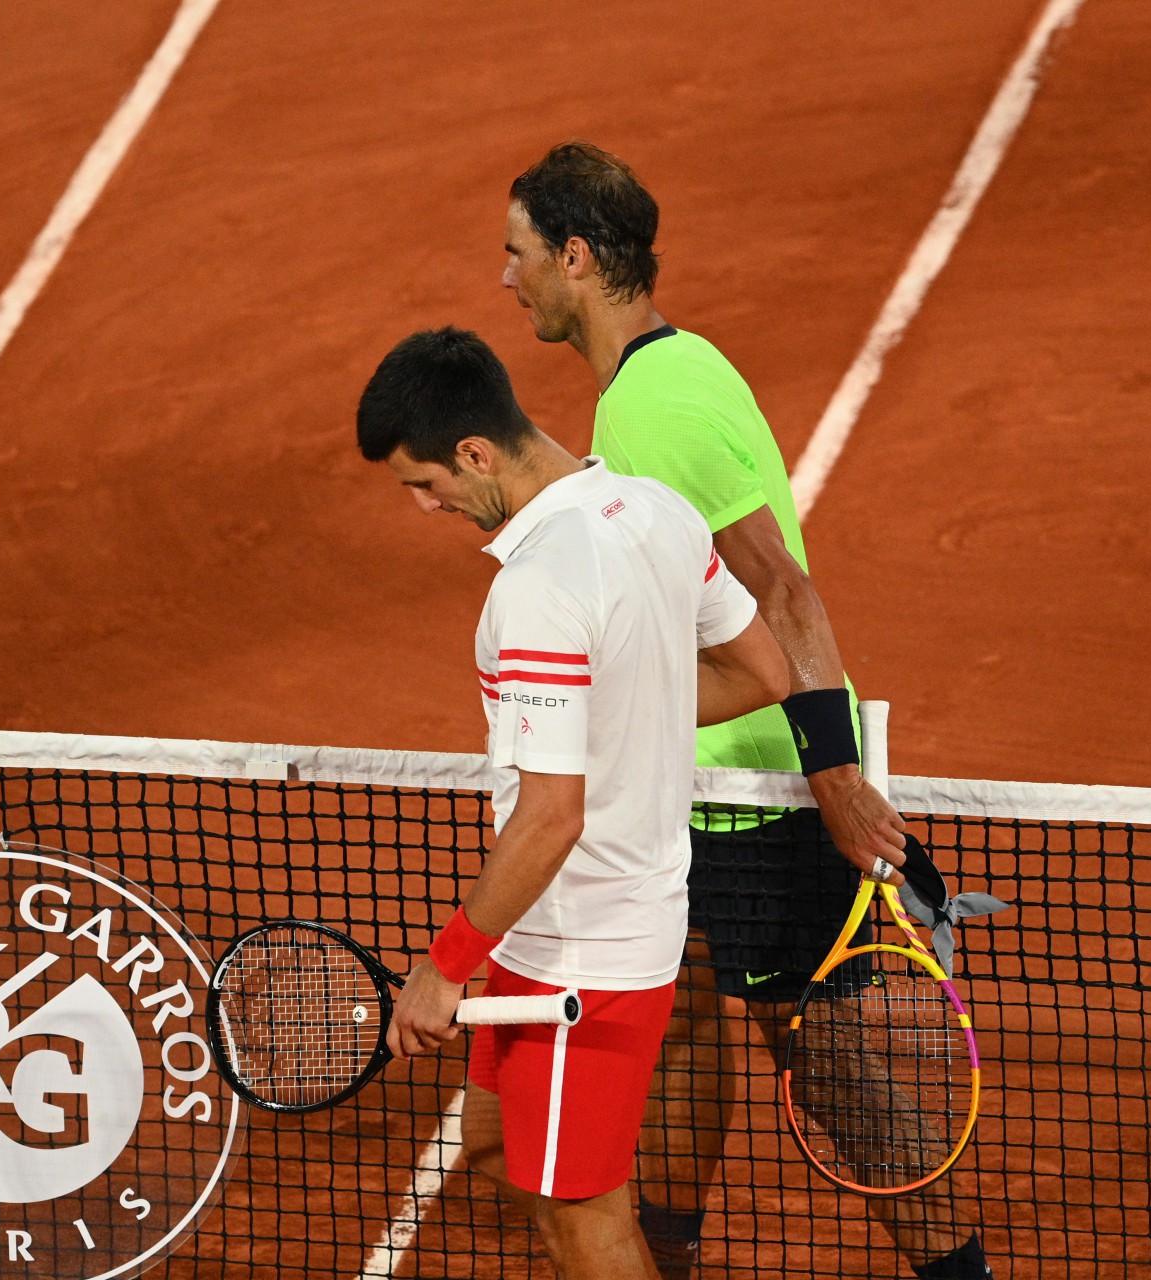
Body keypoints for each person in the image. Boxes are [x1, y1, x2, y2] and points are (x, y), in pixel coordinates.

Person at [500, 142, 992, 1280]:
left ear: (575, 258)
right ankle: (664, 1251)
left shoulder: (655, 413)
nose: (506, 277)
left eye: (517, 253)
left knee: (826, 1062)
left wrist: (834, 779)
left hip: (758, 797)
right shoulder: (666, 375)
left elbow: (782, 589)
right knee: (680, 1018)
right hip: (701, 782)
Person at [357, 327, 790, 1280]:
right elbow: (764, 672)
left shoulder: (541, 588)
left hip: (573, 958)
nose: (428, 507)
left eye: (424, 483)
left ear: (475, 452)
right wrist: (627, 723)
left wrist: (444, 967)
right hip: (598, 932)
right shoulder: (659, 514)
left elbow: (552, 815)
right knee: (501, 1151)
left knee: (582, 1220)